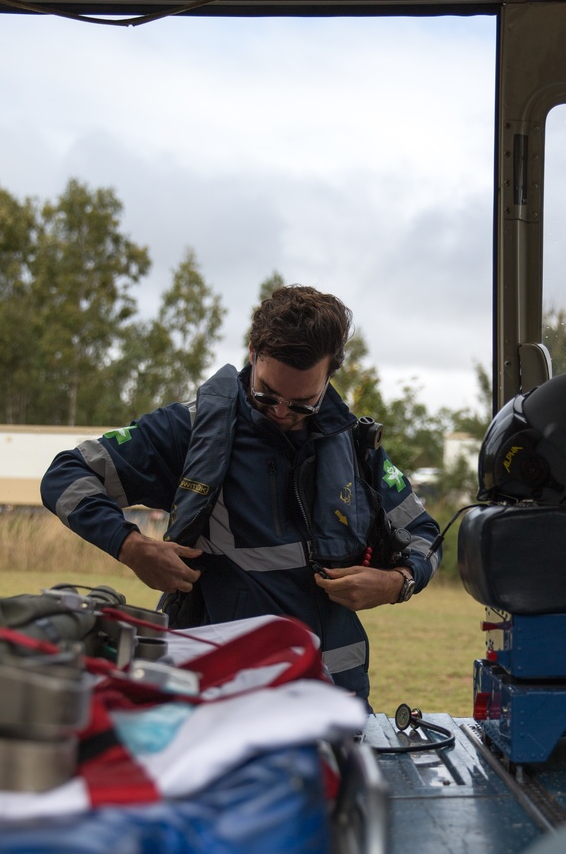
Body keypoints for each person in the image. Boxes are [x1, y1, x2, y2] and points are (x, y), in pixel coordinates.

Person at [41, 285, 441, 701]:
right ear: (253, 352)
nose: (283, 412)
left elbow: (424, 534)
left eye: (303, 403)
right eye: (266, 395)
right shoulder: (192, 433)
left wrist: (398, 583)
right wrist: (130, 545)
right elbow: (66, 474)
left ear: (330, 375)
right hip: (219, 700)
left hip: (333, 705)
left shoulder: (355, 446)